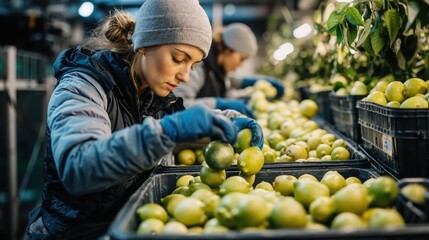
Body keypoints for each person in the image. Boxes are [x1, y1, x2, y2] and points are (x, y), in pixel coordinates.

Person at [25, 0, 264, 239]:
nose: (185, 76)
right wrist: (168, 132)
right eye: (179, 58)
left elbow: (181, 119)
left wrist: (229, 120)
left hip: (121, 225)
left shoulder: (150, 93)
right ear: (144, 45)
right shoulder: (83, 87)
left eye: (193, 65)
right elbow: (79, 168)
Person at [173, 22, 285, 118]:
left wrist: (248, 88)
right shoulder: (198, 67)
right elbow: (180, 105)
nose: (241, 65)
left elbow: (226, 84)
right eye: (241, 59)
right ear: (228, 50)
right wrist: (219, 104)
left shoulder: (219, 70)